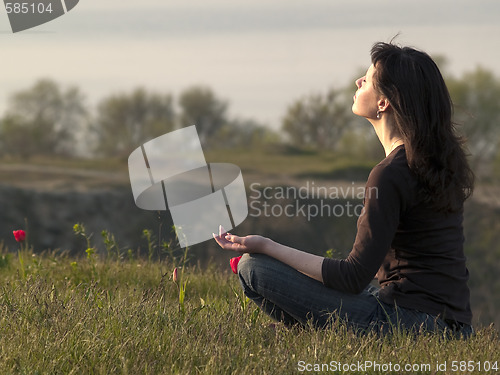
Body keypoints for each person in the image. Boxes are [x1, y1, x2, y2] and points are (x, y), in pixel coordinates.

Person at [213, 41, 475, 338]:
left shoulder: (389, 174)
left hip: (410, 326)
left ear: (383, 103)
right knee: (359, 296)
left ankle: (314, 330)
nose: (358, 82)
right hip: (454, 327)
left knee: (253, 269)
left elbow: (352, 277)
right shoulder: (436, 164)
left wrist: (266, 246)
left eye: (367, 79)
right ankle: (315, 331)